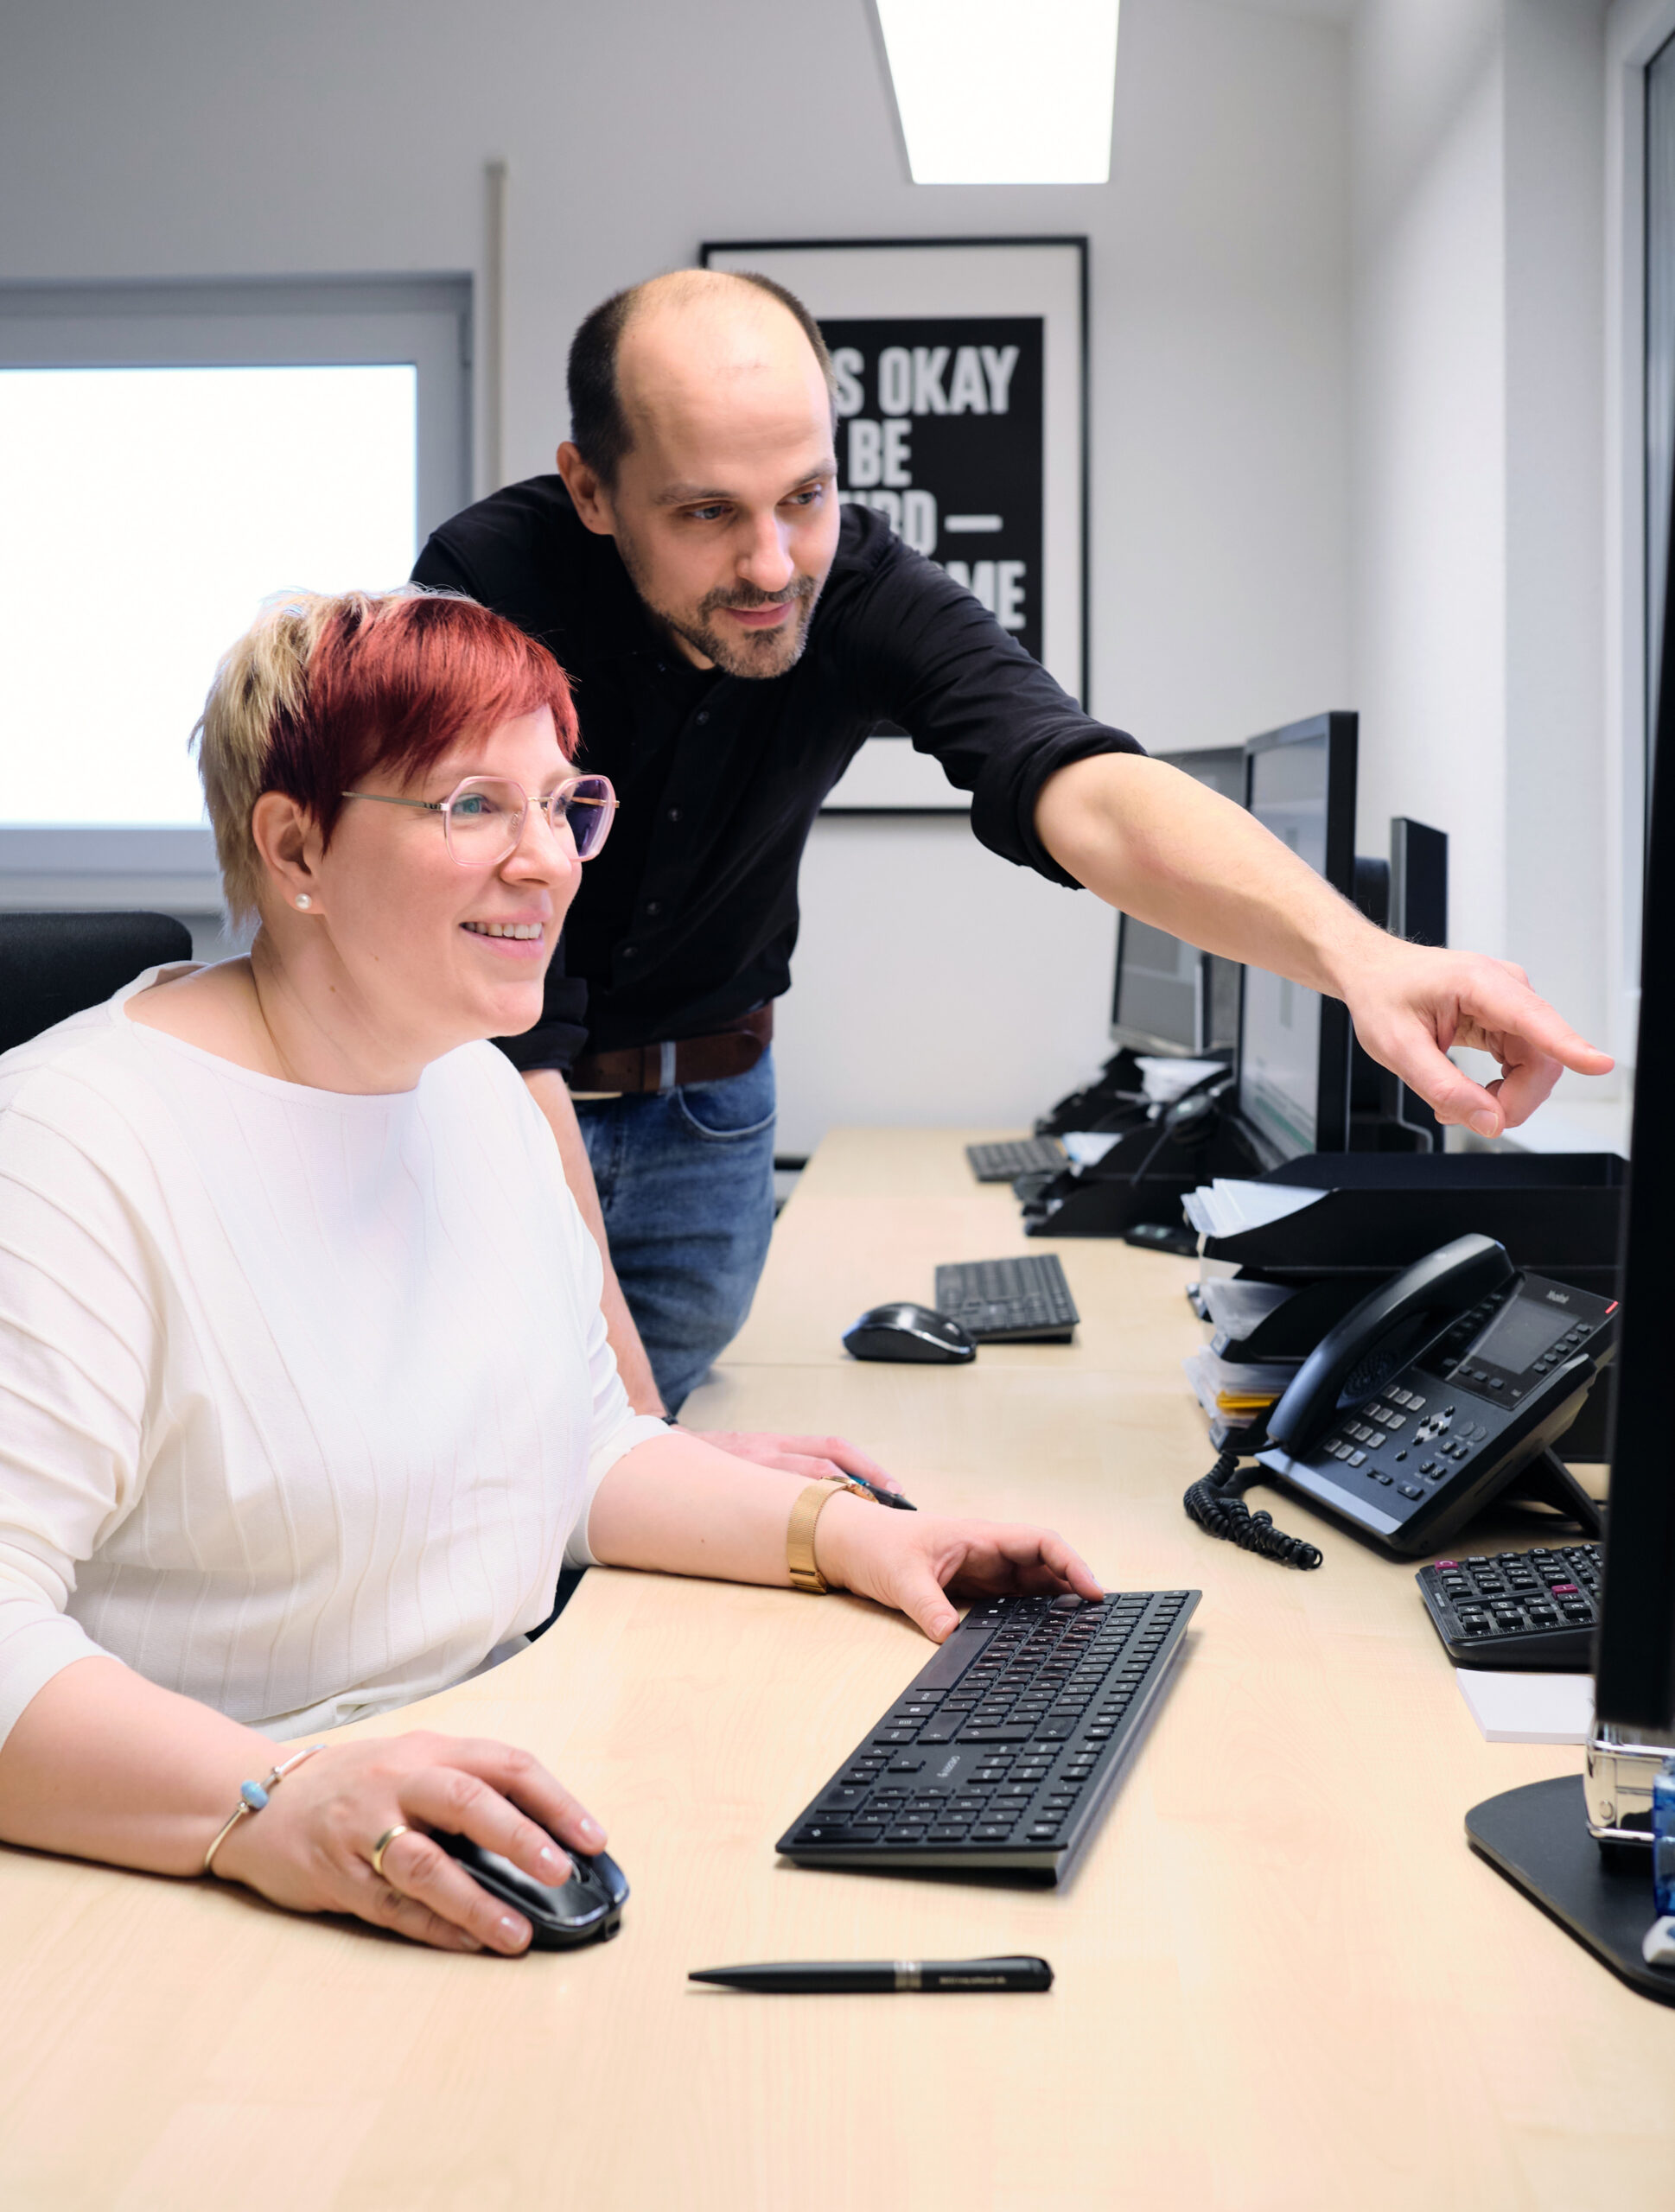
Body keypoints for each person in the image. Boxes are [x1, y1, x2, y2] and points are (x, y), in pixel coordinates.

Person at [0, 588, 1100, 1956]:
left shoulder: (469, 1090)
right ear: (295, 844)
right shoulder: (67, 1147)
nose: (546, 863)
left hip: (472, 1782)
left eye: (560, 804)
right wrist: (269, 1797)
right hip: (190, 1853)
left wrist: (855, 1537)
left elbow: (574, 1446)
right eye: (471, 807)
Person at [413, 266, 1614, 1433]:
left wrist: (1362, 959)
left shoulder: (861, 586)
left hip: (711, 1116)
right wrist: (633, 1440)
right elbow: (502, 995)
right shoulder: (490, 584)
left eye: (806, 496)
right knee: (507, 1472)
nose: (774, 565)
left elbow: (1077, 784)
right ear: (589, 487)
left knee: (645, 1450)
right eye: (705, 513)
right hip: (492, 1091)